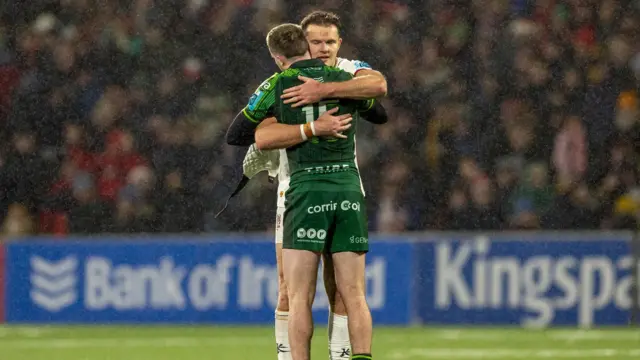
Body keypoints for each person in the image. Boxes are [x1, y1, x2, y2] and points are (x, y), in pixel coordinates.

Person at [225, 11, 387, 360]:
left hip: (312, 188)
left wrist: (324, 92)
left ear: (339, 43)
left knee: (331, 292)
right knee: (292, 290)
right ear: (304, 42)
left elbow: (244, 134)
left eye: (331, 41)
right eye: (317, 41)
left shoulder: (341, 73)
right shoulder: (290, 81)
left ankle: (334, 356)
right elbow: (379, 109)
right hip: (301, 187)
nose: (325, 48)